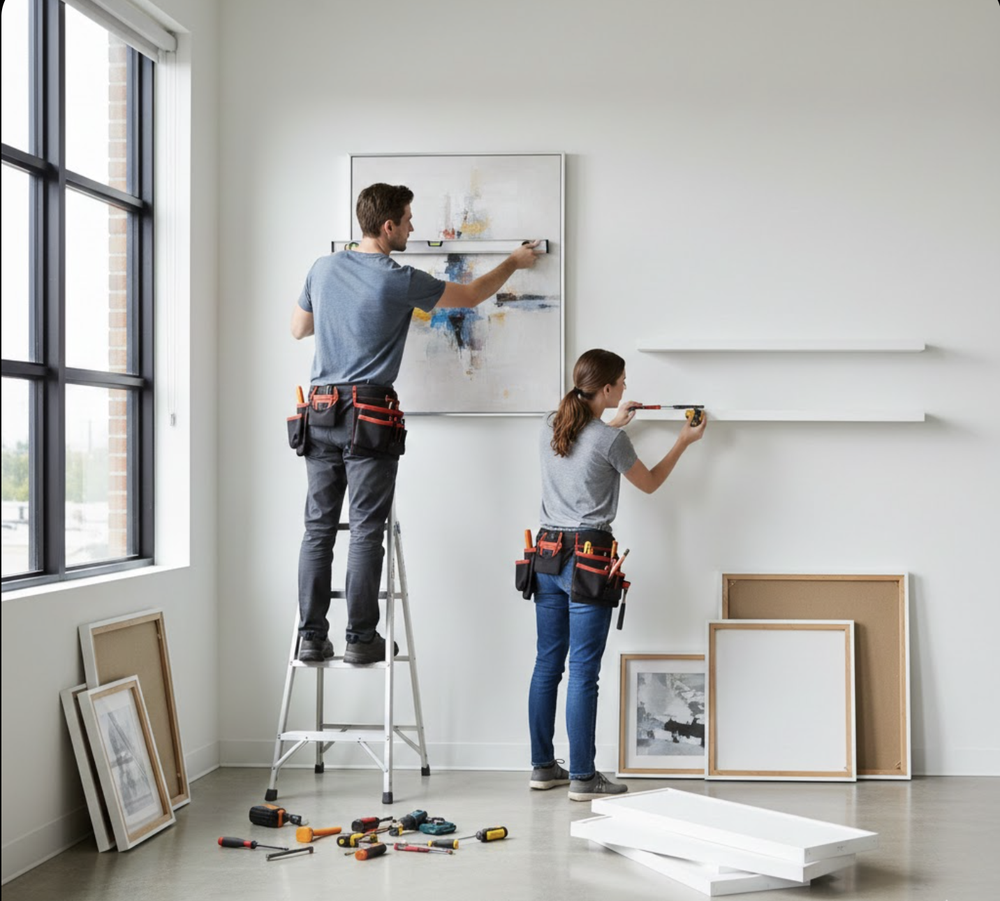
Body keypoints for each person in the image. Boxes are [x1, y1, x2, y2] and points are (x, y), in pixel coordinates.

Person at [292, 183, 540, 664]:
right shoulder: (397, 278)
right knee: (365, 530)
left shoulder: (322, 269)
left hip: (319, 411)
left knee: (318, 529)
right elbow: (468, 296)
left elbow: (299, 328)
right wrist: (513, 262)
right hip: (368, 414)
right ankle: (361, 640)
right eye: (408, 220)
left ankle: (310, 636)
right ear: (387, 227)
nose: (413, 228)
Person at [526, 348, 706, 800]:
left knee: (548, 664)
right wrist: (683, 440)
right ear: (605, 389)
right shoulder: (609, 442)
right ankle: (584, 778)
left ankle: (543, 768)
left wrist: (614, 423)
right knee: (583, 670)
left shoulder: (551, 423)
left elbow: (585, 449)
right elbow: (650, 483)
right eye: (622, 383)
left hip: (546, 555)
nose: (626, 388)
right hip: (588, 557)